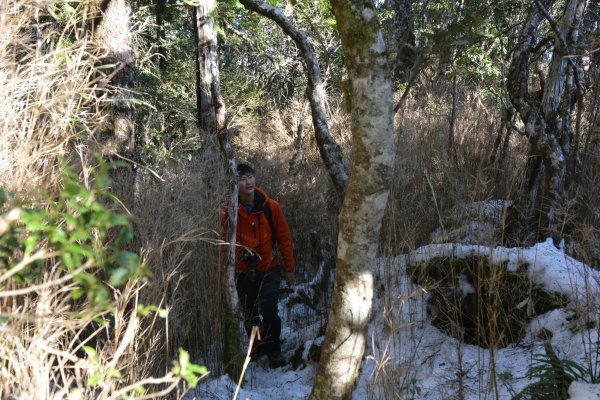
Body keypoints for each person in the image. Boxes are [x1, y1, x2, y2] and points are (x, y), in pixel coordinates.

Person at [220, 163, 295, 368]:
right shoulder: (229, 211)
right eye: (243, 179)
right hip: (242, 270)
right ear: (236, 184)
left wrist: (289, 269)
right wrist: (224, 271)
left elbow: (284, 239)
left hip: (269, 266)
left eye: (251, 177)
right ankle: (256, 346)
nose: (248, 182)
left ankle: (273, 349)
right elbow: (224, 243)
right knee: (249, 311)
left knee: (269, 307)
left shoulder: (271, 207)